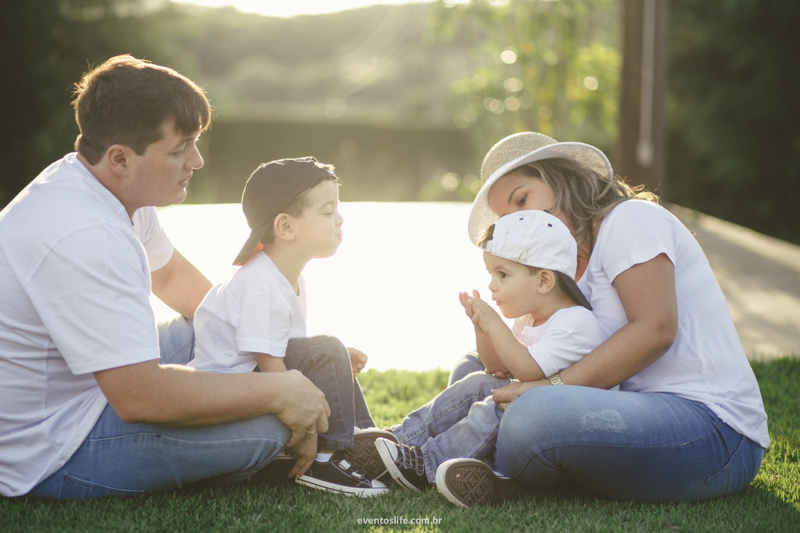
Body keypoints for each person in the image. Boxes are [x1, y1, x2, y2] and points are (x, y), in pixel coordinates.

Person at [0, 55, 333, 500]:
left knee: (227, 330)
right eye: (179, 149)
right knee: (268, 425)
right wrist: (277, 390)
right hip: (50, 445)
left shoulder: (105, 187)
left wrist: (280, 346)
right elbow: (140, 397)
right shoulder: (87, 233)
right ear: (119, 157)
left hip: (90, 388)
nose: (195, 161)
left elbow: (175, 279)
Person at [438, 132, 770, 506]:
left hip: (710, 428)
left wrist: (553, 388)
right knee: (473, 370)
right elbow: (526, 360)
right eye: (509, 216)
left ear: (560, 177)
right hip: (617, 411)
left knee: (534, 414)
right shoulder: (554, 267)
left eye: (523, 199)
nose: (522, 219)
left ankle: (494, 465)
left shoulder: (629, 219)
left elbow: (655, 329)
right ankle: (499, 466)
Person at [188, 157, 390, 497]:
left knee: (329, 350)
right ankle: (327, 457)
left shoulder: (287, 277)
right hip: (230, 392)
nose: (340, 219)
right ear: (285, 227)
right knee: (326, 348)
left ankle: (365, 442)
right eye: (327, 212)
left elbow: (287, 347)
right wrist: (309, 435)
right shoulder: (261, 281)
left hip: (254, 380)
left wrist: (334, 358)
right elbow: (272, 368)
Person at [372, 210, 607, 501]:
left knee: (501, 402)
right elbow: (496, 368)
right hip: (537, 405)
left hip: (575, 425)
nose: (492, 285)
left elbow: (527, 370)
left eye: (503, 275)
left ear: (544, 281)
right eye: (491, 274)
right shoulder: (529, 318)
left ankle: (426, 464)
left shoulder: (575, 322)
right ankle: (400, 438)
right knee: (478, 383)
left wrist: (495, 322)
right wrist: (482, 328)